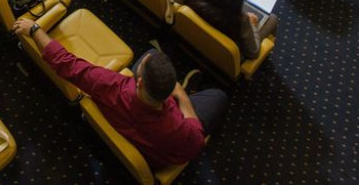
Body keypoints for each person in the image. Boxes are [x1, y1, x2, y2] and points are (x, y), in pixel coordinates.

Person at [12, 18, 226, 170]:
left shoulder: (110, 86)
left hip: (130, 125)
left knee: (152, 54)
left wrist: (34, 29)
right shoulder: (181, 131)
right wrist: (183, 97)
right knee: (218, 96)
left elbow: (66, 64)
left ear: (139, 82)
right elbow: (196, 139)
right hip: (158, 149)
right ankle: (191, 90)